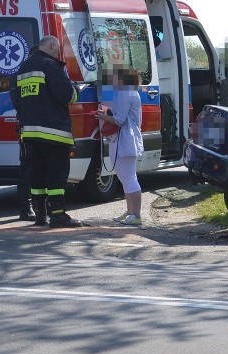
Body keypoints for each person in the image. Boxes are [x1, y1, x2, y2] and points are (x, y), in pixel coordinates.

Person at [12, 35, 83, 228]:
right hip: (53, 132)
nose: (57, 53)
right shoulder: (50, 66)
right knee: (56, 173)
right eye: (57, 49)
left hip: (29, 133)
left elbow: (16, 100)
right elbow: (66, 94)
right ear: (52, 46)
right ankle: (58, 215)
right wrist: (76, 89)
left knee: (37, 174)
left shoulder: (23, 69)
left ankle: (40, 216)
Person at [95, 66, 144, 226]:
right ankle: (130, 212)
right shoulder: (131, 92)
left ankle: (135, 214)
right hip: (126, 139)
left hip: (124, 139)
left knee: (128, 177)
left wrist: (102, 116)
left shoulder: (125, 92)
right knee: (126, 177)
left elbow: (119, 119)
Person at [10, 44, 38, 221]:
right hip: (30, 127)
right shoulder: (28, 74)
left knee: (30, 168)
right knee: (28, 169)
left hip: (27, 127)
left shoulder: (18, 74)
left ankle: (30, 208)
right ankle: (26, 209)